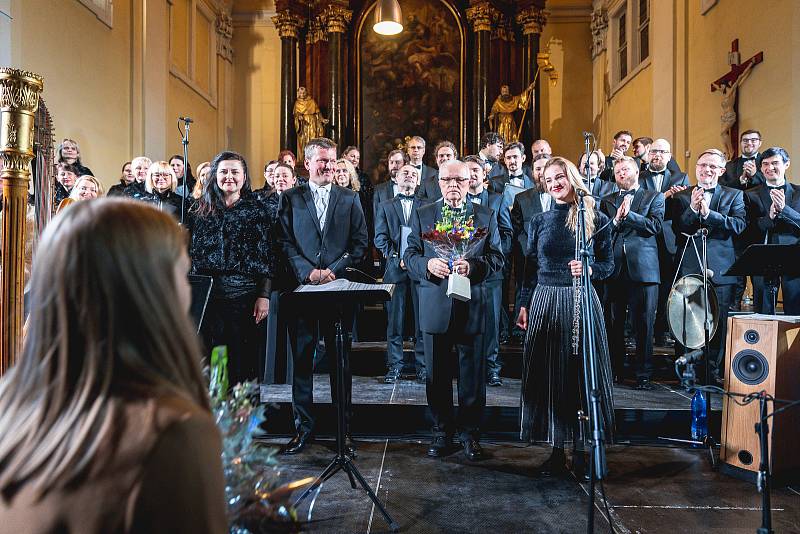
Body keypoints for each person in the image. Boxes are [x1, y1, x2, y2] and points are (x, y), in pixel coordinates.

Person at [0, 198, 226, 533]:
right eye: (181, 271)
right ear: (147, 290)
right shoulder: (172, 433)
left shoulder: (12, 402)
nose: (188, 289)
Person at [516, 156, 615, 478]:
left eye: (560, 176)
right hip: (545, 299)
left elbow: (608, 265)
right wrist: (523, 304)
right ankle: (557, 450)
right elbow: (529, 269)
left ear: (572, 178)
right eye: (548, 180)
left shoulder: (596, 218)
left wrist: (589, 269)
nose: (554, 183)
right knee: (551, 378)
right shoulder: (539, 221)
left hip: (580, 300)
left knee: (580, 375)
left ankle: (584, 450)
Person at [404, 160, 504, 461]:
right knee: (436, 375)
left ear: (470, 181)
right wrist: (427, 265)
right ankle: (442, 432)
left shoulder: (485, 215)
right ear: (438, 182)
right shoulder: (423, 214)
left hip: (472, 303)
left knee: (472, 376)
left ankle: (470, 435)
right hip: (435, 303)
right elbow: (409, 255)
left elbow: (498, 259)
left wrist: (472, 266)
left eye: (459, 180)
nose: (453, 185)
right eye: (447, 180)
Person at [277, 137, 368, 455]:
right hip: (301, 291)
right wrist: (307, 271)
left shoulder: (349, 198)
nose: (328, 166)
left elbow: (359, 243)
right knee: (301, 363)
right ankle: (303, 429)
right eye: (322, 161)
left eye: (332, 161)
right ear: (307, 163)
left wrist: (333, 270)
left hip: (338, 291)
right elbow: (284, 241)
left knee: (340, 365)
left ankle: (344, 434)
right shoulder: (290, 197)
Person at [189, 151, 273, 387]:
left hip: (244, 297)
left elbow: (267, 256)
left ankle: (244, 420)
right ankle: (215, 420)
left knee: (243, 364)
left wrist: (263, 296)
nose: (229, 176)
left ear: (244, 177)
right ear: (214, 175)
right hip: (207, 299)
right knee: (212, 365)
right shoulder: (198, 211)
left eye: (235, 172)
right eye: (224, 171)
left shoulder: (257, 210)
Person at [671, 149, 746, 383]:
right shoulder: (682, 196)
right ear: (696, 168)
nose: (707, 170)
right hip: (691, 267)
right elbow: (679, 229)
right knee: (687, 321)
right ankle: (686, 373)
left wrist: (710, 214)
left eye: (713, 167)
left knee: (717, 324)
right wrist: (693, 210)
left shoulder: (734, 195)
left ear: (722, 171)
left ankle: (712, 373)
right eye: (703, 165)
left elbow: (739, 225)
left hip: (721, 269)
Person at [599, 157, 664, 389]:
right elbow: (602, 233)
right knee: (614, 323)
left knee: (644, 324)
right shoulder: (606, 201)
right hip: (614, 269)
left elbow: (655, 226)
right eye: (617, 172)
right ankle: (615, 370)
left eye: (625, 169)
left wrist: (630, 216)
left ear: (637, 171)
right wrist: (616, 220)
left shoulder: (654, 196)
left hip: (644, 270)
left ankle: (643, 374)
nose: (621, 174)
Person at [374, 164, 425, 383]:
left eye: (414, 174)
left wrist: (416, 260)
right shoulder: (385, 206)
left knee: (422, 322)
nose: (410, 177)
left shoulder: (426, 206)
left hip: (420, 271)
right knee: (394, 322)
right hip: (395, 271)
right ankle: (394, 366)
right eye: (406, 173)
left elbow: (429, 236)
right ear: (396, 177)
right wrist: (397, 258)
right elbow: (379, 237)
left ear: (418, 180)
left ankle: (423, 367)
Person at [639, 138, 689, 345]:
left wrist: (679, 198)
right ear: (648, 154)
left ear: (669, 156)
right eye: (654, 151)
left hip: (670, 238)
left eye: (663, 152)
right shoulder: (639, 177)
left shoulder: (681, 177)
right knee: (649, 290)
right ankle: (646, 331)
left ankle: (663, 329)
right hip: (646, 239)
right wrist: (665, 196)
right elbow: (639, 205)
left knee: (669, 286)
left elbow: (684, 209)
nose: (658, 155)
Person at [745, 147, 800, 314]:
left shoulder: (799, 192)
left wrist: (784, 210)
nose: (770, 168)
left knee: (795, 310)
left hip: (794, 256)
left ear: (786, 164)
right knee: (763, 311)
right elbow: (747, 230)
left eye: (775, 163)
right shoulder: (749, 195)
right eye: (765, 164)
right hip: (763, 257)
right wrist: (769, 218)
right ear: (760, 168)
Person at [464, 155, 504, 386]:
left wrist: (490, 258)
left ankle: (492, 368)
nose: (472, 175)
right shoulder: (458, 202)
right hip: (463, 273)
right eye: (467, 172)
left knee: (491, 323)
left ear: (483, 174)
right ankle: (471, 368)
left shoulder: (497, 200)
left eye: (475, 171)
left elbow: (506, 233)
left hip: (490, 273)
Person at [263, 163, 297, 385]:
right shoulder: (263, 204)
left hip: (295, 268)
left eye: (285, 175)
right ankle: (272, 375)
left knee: (294, 324)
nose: (280, 179)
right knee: (272, 322)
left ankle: (292, 374)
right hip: (271, 268)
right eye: (276, 176)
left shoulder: (301, 203)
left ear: (294, 180)